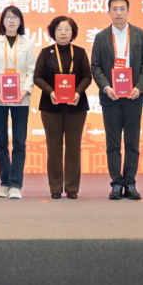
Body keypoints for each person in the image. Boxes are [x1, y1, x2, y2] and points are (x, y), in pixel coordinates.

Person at [91, 0, 143, 200]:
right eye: (114, 9)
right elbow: (95, 66)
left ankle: (130, 182)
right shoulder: (101, 37)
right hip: (111, 97)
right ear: (108, 12)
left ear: (128, 11)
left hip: (134, 96)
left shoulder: (140, 34)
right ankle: (117, 183)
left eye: (122, 9)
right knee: (113, 143)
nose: (118, 12)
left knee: (132, 142)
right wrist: (106, 87)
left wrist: (139, 87)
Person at [34, 16, 93, 199]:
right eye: (59, 29)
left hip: (76, 106)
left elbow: (87, 76)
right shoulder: (46, 53)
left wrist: (78, 92)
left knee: (74, 147)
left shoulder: (80, 53)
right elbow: (37, 77)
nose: (63, 33)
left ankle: (72, 187)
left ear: (73, 32)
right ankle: (55, 188)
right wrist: (50, 91)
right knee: (54, 148)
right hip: (51, 106)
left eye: (67, 29)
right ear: (53, 32)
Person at [0, 6, 37, 199]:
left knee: (19, 142)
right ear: (2, 21)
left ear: (20, 21)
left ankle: (16, 185)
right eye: (8, 17)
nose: (12, 20)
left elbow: (31, 71)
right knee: (1, 142)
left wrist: (26, 90)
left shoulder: (28, 43)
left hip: (21, 96)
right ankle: (4, 183)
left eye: (15, 17)